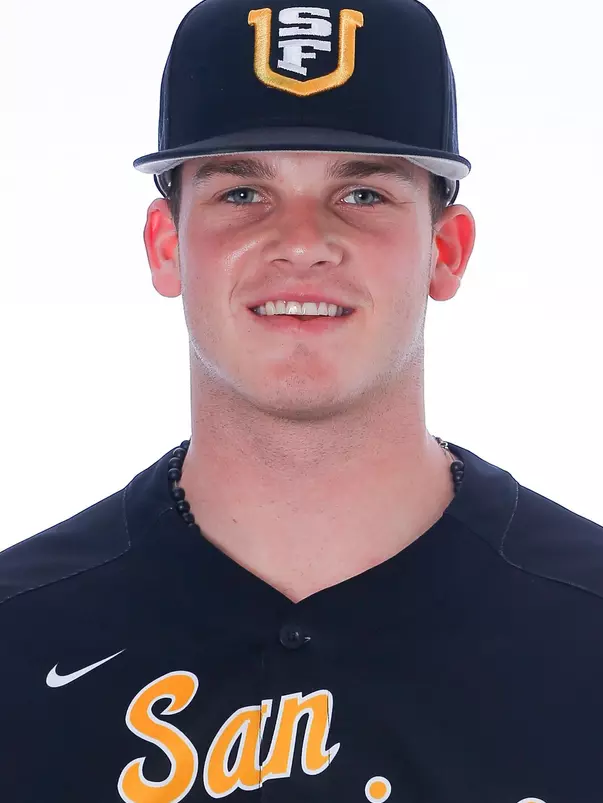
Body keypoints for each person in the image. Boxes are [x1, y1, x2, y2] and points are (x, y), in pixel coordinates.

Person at [1, 0, 602, 801]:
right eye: (242, 194)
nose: (301, 241)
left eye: (362, 194)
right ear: (166, 245)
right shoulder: (19, 634)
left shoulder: (586, 628)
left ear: (445, 250)